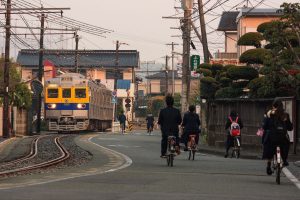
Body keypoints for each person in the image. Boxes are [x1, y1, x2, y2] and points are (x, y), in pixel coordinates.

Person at [262, 98, 293, 175]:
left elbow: (265, 126)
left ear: (273, 105)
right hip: (282, 138)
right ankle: (284, 160)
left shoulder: (269, 113)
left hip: (272, 138)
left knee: (268, 147)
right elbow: (290, 127)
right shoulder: (285, 115)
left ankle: (269, 166)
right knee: (286, 144)